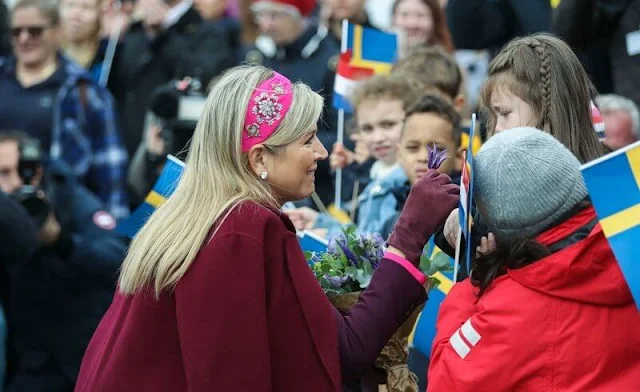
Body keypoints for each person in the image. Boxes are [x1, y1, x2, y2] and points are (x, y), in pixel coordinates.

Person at [74, 65, 460, 391]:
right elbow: (338, 352)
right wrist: (408, 235)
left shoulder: (208, 213)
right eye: (309, 140)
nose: (322, 153)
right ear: (260, 157)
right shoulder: (239, 230)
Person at [428, 127, 640, 391]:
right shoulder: (631, 242)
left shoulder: (508, 312)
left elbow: (445, 381)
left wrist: (474, 286)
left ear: (502, 230)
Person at [435, 33, 610, 277]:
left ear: (548, 111)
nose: (496, 128)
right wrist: (460, 218)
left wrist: (501, 262)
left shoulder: (608, 186)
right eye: (494, 116)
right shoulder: (498, 181)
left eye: (504, 113)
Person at [0, 131, 126, 392]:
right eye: (3, 174)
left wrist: (60, 240)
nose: (14, 183)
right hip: (29, 363)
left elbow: (118, 258)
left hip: (83, 356)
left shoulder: (66, 194)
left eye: (23, 171)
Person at [0, 0, 129, 220]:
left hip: (58, 221)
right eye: (16, 31)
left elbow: (110, 170)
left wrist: (113, 235)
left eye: (35, 31)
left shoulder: (85, 92)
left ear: (57, 31)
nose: (24, 38)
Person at [287, 74, 421, 237]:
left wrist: (330, 236)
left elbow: (380, 246)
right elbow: (364, 231)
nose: (378, 138)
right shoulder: (377, 173)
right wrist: (319, 222)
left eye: (388, 125)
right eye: (367, 128)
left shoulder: (411, 182)